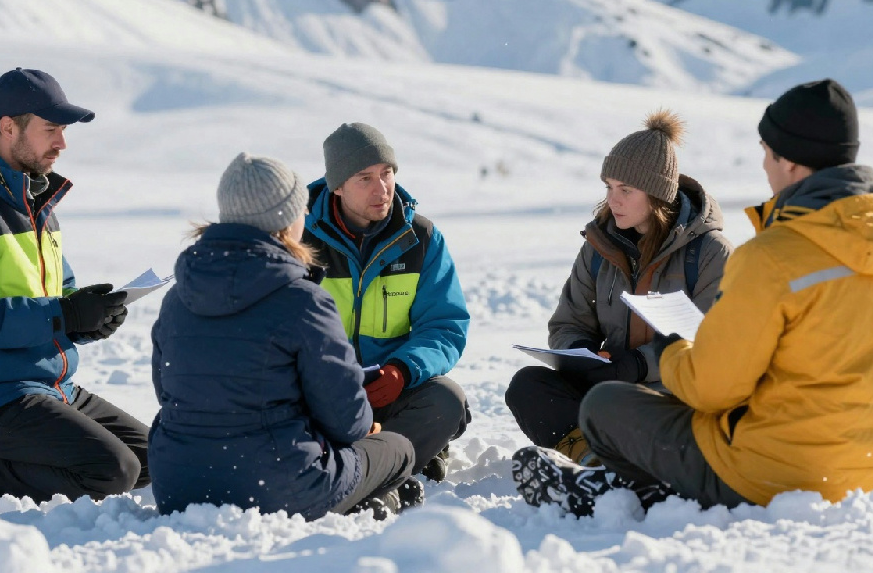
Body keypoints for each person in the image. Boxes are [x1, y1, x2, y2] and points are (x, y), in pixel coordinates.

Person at [512, 79, 873, 518]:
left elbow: (715, 387)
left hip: (781, 473)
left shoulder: (770, 257)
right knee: (544, 388)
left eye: (766, 153)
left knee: (608, 406)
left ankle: (618, 493)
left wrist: (663, 352)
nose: (765, 167)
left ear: (789, 162)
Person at [0, 68, 148, 503]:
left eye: (64, 130)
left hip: (47, 384)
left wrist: (87, 317)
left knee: (156, 460)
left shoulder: (33, 201)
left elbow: (57, 295)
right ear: (8, 126)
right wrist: (64, 315)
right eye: (50, 129)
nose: (62, 143)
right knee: (112, 471)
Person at [148, 153, 418, 519]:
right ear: (286, 219)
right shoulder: (302, 300)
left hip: (177, 487)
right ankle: (366, 502)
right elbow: (347, 422)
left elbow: (167, 393)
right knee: (397, 447)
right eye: (301, 210)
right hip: (278, 489)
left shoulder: (177, 297)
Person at [506, 110, 732, 466]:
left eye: (626, 190)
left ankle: (639, 455)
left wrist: (637, 366)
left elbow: (714, 342)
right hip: (610, 391)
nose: (614, 200)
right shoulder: (599, 246)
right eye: (609, 187)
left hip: (678, 398)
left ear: (658, 195)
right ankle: (594, 457)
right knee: (529, 387)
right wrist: (580, 355)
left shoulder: (709, 252)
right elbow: (569, 322)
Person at [304, 123, 471, 483]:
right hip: (317, 394)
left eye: (387, 173)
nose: (381, 189)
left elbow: (444, 324)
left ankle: (360, 469)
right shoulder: (298, 239)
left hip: (389, 390)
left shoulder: (421, 238)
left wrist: (403, 369)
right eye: (364, 178)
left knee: (446, 401)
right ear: (337, 186)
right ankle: (395, 460)